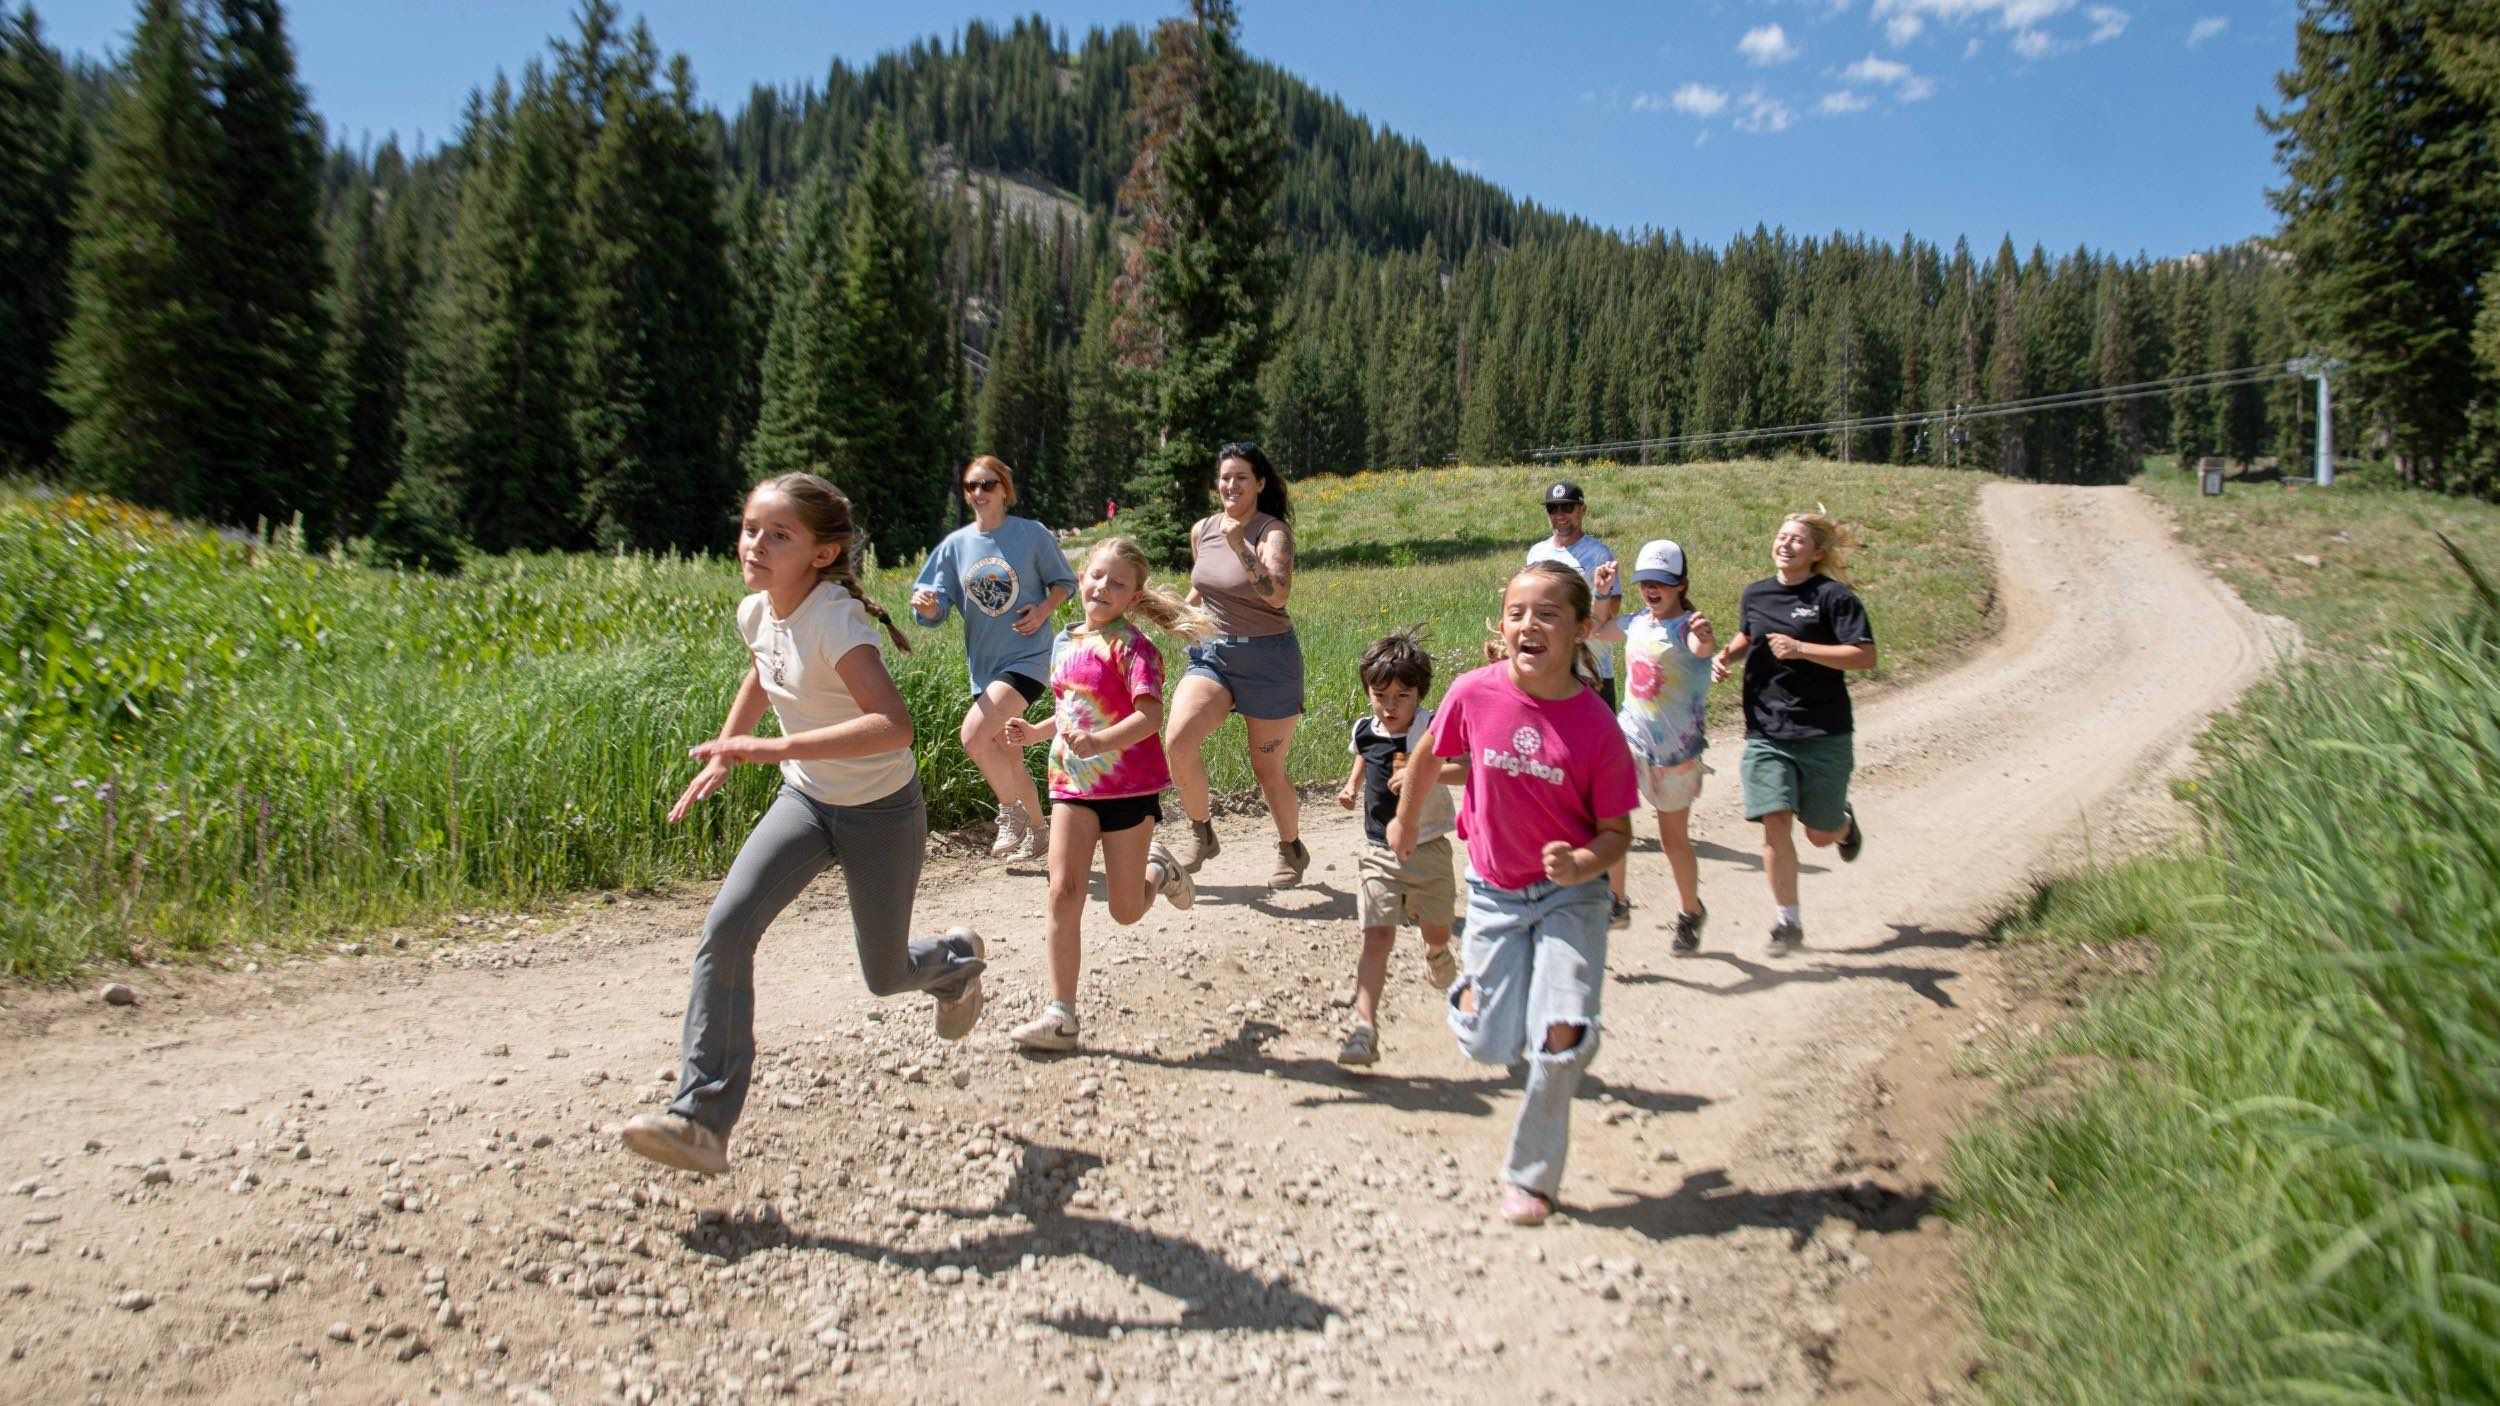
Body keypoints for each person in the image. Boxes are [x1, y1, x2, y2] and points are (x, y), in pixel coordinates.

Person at [622, 472, 988, 1176]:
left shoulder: (837, 623)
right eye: (750, 528)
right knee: (725, 931)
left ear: (823, 554)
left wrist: (774, 747)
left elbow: (894, 727)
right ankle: (700, 1118)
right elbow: (766, 669)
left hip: (880, 812)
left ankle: (955, 965)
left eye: (778, 534)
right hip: (806, 804)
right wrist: (732, 749)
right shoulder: (757, 611)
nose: (755, 544)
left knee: (885, 976)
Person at [1388, 561, 1638, 1226]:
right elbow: (1427, 758)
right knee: (1490, 1048)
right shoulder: (1475, 693)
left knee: (1562, 1034)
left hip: (1572, 898)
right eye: (1519, 612)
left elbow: (1619, 834)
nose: (1531, 624)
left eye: (1549, 613)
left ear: (1582, 630)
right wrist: (1407, 821)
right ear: (1502, 625)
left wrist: (1582, 861)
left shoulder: (1596, 727)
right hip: (1496, 893)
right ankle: (1472, 996)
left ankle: (1530, 1177)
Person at [1003, 538, 1219, 1053]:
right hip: (1072, 784)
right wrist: (1037, 733)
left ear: (1133, 596)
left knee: (1125, 910)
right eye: (1097, 576)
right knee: (1063, 891)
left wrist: (1100, 742)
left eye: (1117, 582)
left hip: (1127, 788)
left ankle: (1159, 871)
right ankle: (1062, 1015)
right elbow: (1074, 709)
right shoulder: (1064, 641)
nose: (1103, 586)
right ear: (1081, 579)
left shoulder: (1134, 648)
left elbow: (1149, 717)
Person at [1711, 511, 1875, 957]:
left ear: (1817, 552)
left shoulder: (1833, 597)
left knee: (1819, 835)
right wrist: (1725, 656)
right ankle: (1788, 922)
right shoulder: (1757, 593)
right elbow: (1749, 635)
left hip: (1822, 731)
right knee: (1775, 822)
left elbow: (1864, 656)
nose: (1785, 544)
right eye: (1781, 536)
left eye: (1797, 540)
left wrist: (1803, 649)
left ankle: (1842, 826)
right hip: (1766, 730)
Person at [910, 456, 1076, 863]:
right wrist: (928, 607)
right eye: (970, 486)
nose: (978, 493)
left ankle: (1011, 814)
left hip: (1030, 657)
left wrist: (1043, 610)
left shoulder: (1031, 534)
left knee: (973, 736)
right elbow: (934, 606)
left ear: (1004, 489)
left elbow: (1065, 582)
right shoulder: (955, 546)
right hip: (984, 667)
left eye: (986, 484)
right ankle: (1039, 831)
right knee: (1007, 753)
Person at [1165, 442, 1308, 888]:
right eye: (1226, 477)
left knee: (1267, 769)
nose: (1231, 485)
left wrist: (1239, 545)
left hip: (1269, 661)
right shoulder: (1203, 529)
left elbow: (1277, 595)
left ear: (1259, 484)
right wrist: (1173, 613)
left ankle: (1291, 848)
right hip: (1213, 656)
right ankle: (1201, 831)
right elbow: (1205, 588)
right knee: (1178, 741)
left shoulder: (1272, 533)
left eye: (1241, 477)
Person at [1331, 628, 1460, 1068]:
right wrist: (1350, 786)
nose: (1389, 706)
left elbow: (1466, 768)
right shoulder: (1365, 729)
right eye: (1380, 694)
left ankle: (1438, 952)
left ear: (1420, 695)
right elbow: (1364, 757)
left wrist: (1426, 775)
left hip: (1429, 847)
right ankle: (1364, 1029)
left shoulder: (1432, 727)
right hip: (1377, 850)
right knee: (1376, 937)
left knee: (1436, 928)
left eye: (1402, 696)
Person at [1597, 540, 1718, 955]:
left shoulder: (1689, 626)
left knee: (1673, 841)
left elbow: (1704, 650)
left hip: (1676, 753)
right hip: (1629, 737)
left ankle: (1690, 911)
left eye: (1662, 583)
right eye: (1645, 582)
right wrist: (1603, 592)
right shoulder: (1634, 622)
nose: (1652, 590)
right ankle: (1617, 900)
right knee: (1609, 817)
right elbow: (1598, 629)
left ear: (1681, 584)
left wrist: (1706, 639)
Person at [1525, 479, 1629, 928]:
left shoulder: (1598, 554)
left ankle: (1603, 873)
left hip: (1591, 672)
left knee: (1592, 769)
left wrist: (1603, 591)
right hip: (1549, 672)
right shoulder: (1535, 555)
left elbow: (1608, 622)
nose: (1559, 514)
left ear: (1582, 510)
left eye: (1566, 506)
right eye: (1553, 507)